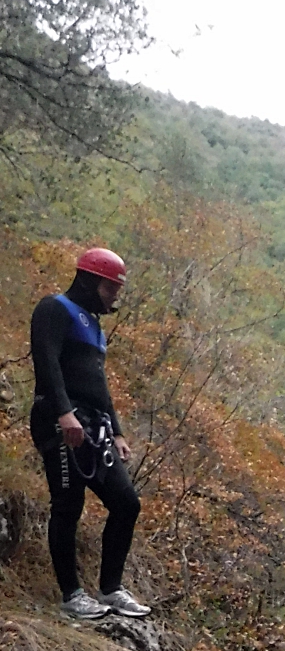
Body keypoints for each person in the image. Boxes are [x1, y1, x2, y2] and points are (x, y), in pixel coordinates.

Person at [30, 247, 150, 622]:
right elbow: (46, 362)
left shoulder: (94, 327)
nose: (115, 295)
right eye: (110, 286)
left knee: (126, 503)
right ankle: (72, 595)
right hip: (59, 420)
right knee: (68, 504)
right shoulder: (54, 309)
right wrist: (64, 414)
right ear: (89, 280)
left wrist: (116, 431)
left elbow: (97, 384)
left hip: (95, 425)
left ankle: (111, 589)